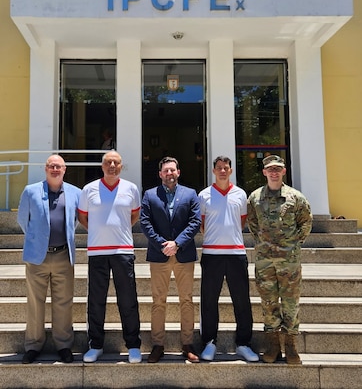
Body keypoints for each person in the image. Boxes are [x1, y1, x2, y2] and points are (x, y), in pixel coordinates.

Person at [247, 155, 312, 365]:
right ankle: (273, 344)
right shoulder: (255, 198)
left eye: (278, 169)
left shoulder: (296, 198)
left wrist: (291, 244)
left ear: (284, 171)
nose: (274, 172)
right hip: (265, 261)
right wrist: (264, 244)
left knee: (291, 303)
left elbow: (305, 223)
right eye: (270, 169)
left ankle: (291, 345)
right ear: (264, 172)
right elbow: (253, 223)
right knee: (268, 302)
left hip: (289, 261)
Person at [78, 150, 142, 363]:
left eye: (116, 162)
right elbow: (83, 217)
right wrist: (100, 231)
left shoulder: (131, 189)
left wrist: (118, 230)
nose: (112, 165)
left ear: (121, 166)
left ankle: (133, 345)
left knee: (128, 300)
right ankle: (95, 345)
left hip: (123, 252)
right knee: (96, 301)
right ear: (102, 166)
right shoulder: (89, 190)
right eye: (108, 162)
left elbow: (134, 215)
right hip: (97, 252)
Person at [17, 154, 81, 364]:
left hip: (64, 255)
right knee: (35, 302)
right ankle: (33, 345)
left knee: (64, 302)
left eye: (59, 166)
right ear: (46, 169)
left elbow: (75, 222)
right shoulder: (30, 191)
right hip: (38, 257)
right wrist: (39, 241)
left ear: (65, 170)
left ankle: (63, 345)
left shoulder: (75, 193)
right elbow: (22, 220)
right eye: (51, 166)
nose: (55, 169)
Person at [140, 156, 201, 363]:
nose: (169, 173)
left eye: (172, 170)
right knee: (158, 301)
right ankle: (157, 345)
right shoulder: (149, 195)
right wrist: (162, 244)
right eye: (166, 171)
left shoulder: (191, 194)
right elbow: (145, 223)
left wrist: (177, 243)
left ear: (178, 172)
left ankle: (187, 344)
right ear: (160, 174)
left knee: (187, 300)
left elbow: (194, 222)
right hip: (159, 255)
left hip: (183, 254)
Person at [198, 156, 259, 362]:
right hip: (211, 254)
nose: (222, 171)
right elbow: (202, 223)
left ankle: (243, 343)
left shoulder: (240, 194)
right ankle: (209, 342)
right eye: (219, 168)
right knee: (208, 301)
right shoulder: (204, 195)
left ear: (231, 170)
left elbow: (241, 222)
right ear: (213, 171)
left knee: (241, 300)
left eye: (226, 168)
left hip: (236, 254)